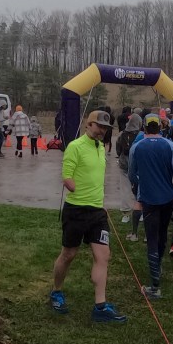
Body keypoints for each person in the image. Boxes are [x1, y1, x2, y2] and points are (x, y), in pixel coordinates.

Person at [50, 110, 127, 322]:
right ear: (88, 124)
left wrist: (98, 201)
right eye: (99, 126)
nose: (102, 131)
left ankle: (100, 306)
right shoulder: (75, 146)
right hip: (76, 210)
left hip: (97, 213)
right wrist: (71, 184)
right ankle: (56, 292)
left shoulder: (100, 147)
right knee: (68, 254)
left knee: (103, 256)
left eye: (105, 128)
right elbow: (67, 175)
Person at [128, 113, 173, 299]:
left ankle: (154, 286)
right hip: (168, 198)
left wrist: (139, 184)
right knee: (162, 234)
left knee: (152, 238)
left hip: (149, 199)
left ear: (144, 128)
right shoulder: (170, 146)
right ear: (161, 127)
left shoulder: (137, 147)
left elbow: (131, 173)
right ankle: (158, 266)